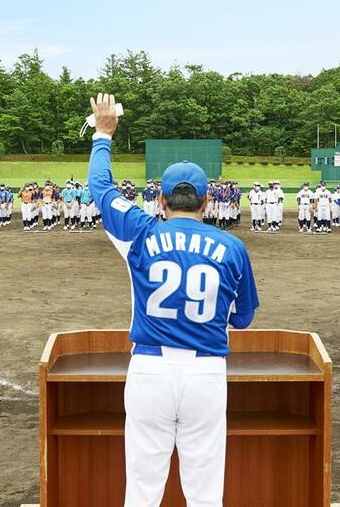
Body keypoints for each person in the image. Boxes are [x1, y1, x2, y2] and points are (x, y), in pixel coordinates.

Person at [87, 93, 259, 507]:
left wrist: (103, 134)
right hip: (205, 373)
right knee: (203, 492)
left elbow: (100, 188)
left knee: (143, 490)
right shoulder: (232, 247)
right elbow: (244, 319)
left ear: (161, 201)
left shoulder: (142, 232)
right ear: (208, 201)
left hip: (149, 370)